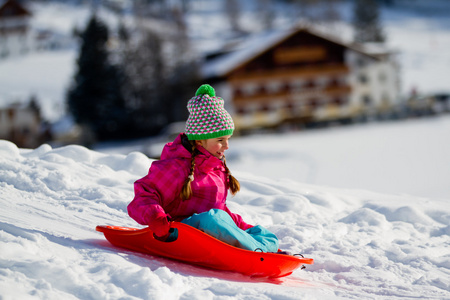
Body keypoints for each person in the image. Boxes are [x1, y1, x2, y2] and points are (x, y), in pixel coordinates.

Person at [127, 84, 279, 252]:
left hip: (208, 231)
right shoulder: (176, 167)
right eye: (220, 140)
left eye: (228, 139)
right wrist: (156, 218)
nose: (226, 146)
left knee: (262, 233)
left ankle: (261, 247)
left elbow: (220, 213)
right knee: (212, 220)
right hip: (176, 232)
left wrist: (245, 230)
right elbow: (144, 194)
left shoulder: (216, 171)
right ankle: (256, 251)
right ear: (199, 140)